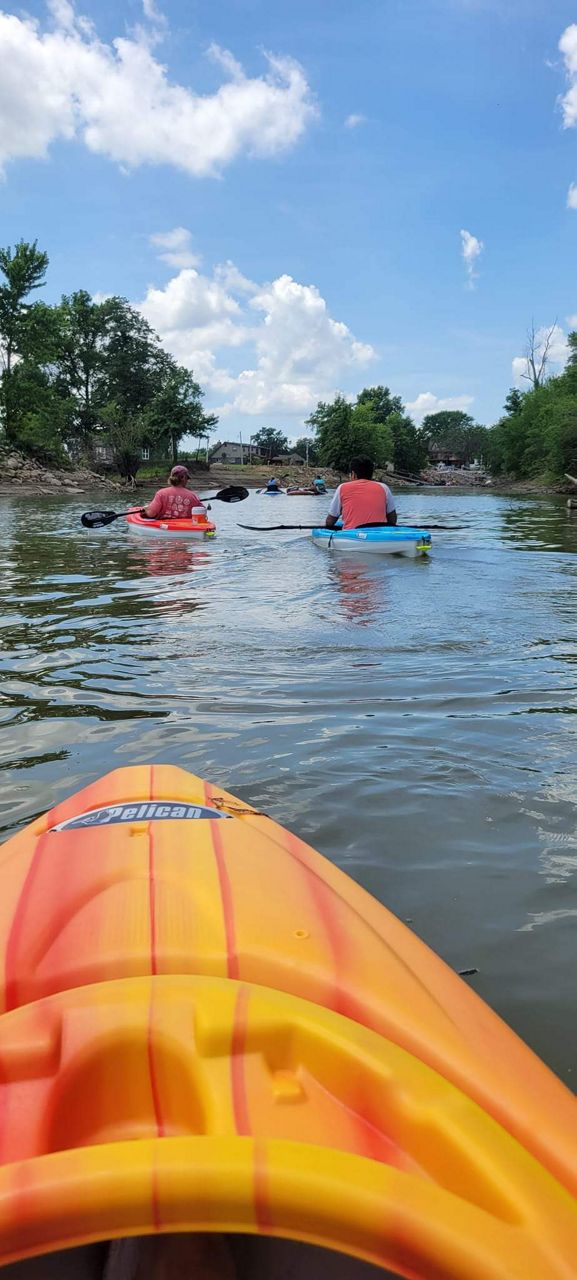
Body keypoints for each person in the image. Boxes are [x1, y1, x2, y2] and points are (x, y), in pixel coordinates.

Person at [325, 456, 397, 530]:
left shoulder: (342, 488)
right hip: (379, 536)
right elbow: (392, 520)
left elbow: (330, 521)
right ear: (371, 473)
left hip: (352, 536)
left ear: (353, 474)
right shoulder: (384, 488)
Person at [142, 465, 206, 520]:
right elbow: (203, 513)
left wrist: (146, 509)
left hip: (164, 529)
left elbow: (151, 514)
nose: (187, 481)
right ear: (183, 478)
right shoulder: (193, 496)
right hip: (186, 529)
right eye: (187, 478)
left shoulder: (161, 493)